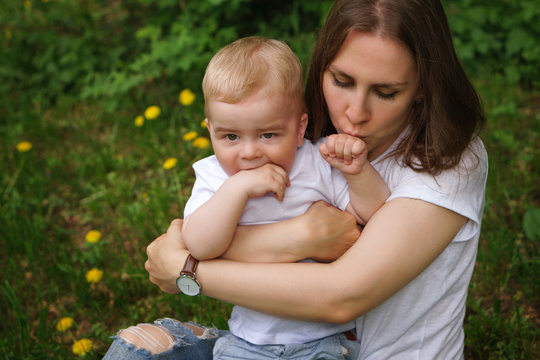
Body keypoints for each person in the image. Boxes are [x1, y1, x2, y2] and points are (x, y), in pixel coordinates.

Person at [104, 0, 488, 359]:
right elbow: (217, 236)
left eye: (385, 92)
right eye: (341, 81)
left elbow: (341, 294)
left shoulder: (451, 161)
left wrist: (188, 270)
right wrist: (301, 236)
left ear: (424, 86)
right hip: (260, 343)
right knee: (133, 348)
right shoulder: (305, 143)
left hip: (337, 347)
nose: (354, 113)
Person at [181, 36, 389, 359]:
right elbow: (199, 244)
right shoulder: (216, 178)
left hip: (326, 339)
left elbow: (373, 217)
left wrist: (357, 173)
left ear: (299, 128)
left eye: (268, 134)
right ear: (210, 130)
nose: (249, 152)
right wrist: (238, 189)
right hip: (248, 342)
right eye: (230, 136)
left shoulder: (316, 163)